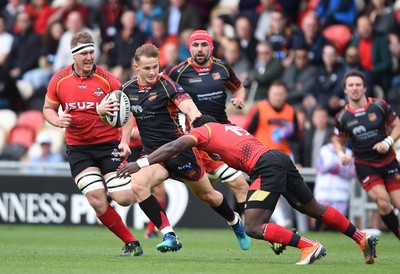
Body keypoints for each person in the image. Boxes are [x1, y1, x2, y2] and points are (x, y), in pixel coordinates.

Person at [117, 114, 378, 265]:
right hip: (278, 159)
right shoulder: (232, 129)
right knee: (314, 209)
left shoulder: (204, 131)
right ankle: (361, 238)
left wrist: (141, 163)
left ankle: (309, 246)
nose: (192, 136)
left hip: (266, 167)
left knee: (253, 226)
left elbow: (173, 148)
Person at [98, 43, 250, 252]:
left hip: (180, 153)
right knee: (138, 185)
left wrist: (195, 116)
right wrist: (124, 141)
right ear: (136, 67)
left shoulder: (167, 85)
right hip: (153, 156)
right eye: (147, 68)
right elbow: (127, 116)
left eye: (156, 67)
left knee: (209, 196)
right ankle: (169, 235)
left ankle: (234, 222)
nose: (153, 72)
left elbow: (186, 104)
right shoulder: (127, 90)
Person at [42, 31, 143, 256]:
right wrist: (57, 120)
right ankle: (131, 243)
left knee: (124, 199)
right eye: (84, 53)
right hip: (79, 149)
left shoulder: (108, 80)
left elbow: (127, 114)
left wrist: (125, 141)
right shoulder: (59, 80)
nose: (89, 57)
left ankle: (143, 187)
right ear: (74, 56)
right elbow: (48, 109)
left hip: (109, 146)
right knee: (96, 200)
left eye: (91, 52)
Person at [164, 29, 249, 217]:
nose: (199, 49)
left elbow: (239, 87)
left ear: (211, 47)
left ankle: (249, 226)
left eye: (204, 45)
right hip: (199, 138)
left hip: (224, 131)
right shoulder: (176, 71)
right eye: (195, 45)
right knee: (209, 192)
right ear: (189, 48)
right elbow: (159, 88)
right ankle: (241, 223)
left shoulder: (222, 68)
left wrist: (239, 98)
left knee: (240, 184)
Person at [332, 69, 400, 241]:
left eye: (358, 85)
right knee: (383, 202)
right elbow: (337, 141)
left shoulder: (379, 105)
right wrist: (341, 155)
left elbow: (398, 126)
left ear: (364, 88)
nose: (355, 88)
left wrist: (387, 142)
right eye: (351, 85)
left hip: (389, 161)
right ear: (345, 90)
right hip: (365, 166)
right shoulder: (342, 117)